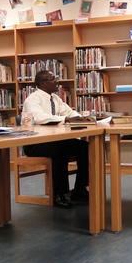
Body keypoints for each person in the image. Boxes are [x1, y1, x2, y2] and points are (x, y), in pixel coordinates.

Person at [22, 70, 93, 209]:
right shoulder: (33, 99)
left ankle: (79, 189)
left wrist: (81, 117)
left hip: (54, 139)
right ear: (43, 83)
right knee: (60, 151)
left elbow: (68, 112)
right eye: (53, 78)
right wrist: (66, 119)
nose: (57, 81)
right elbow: (39, 117)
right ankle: (59, 194)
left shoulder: (55, 98)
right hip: (36, 142)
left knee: (85, 147)